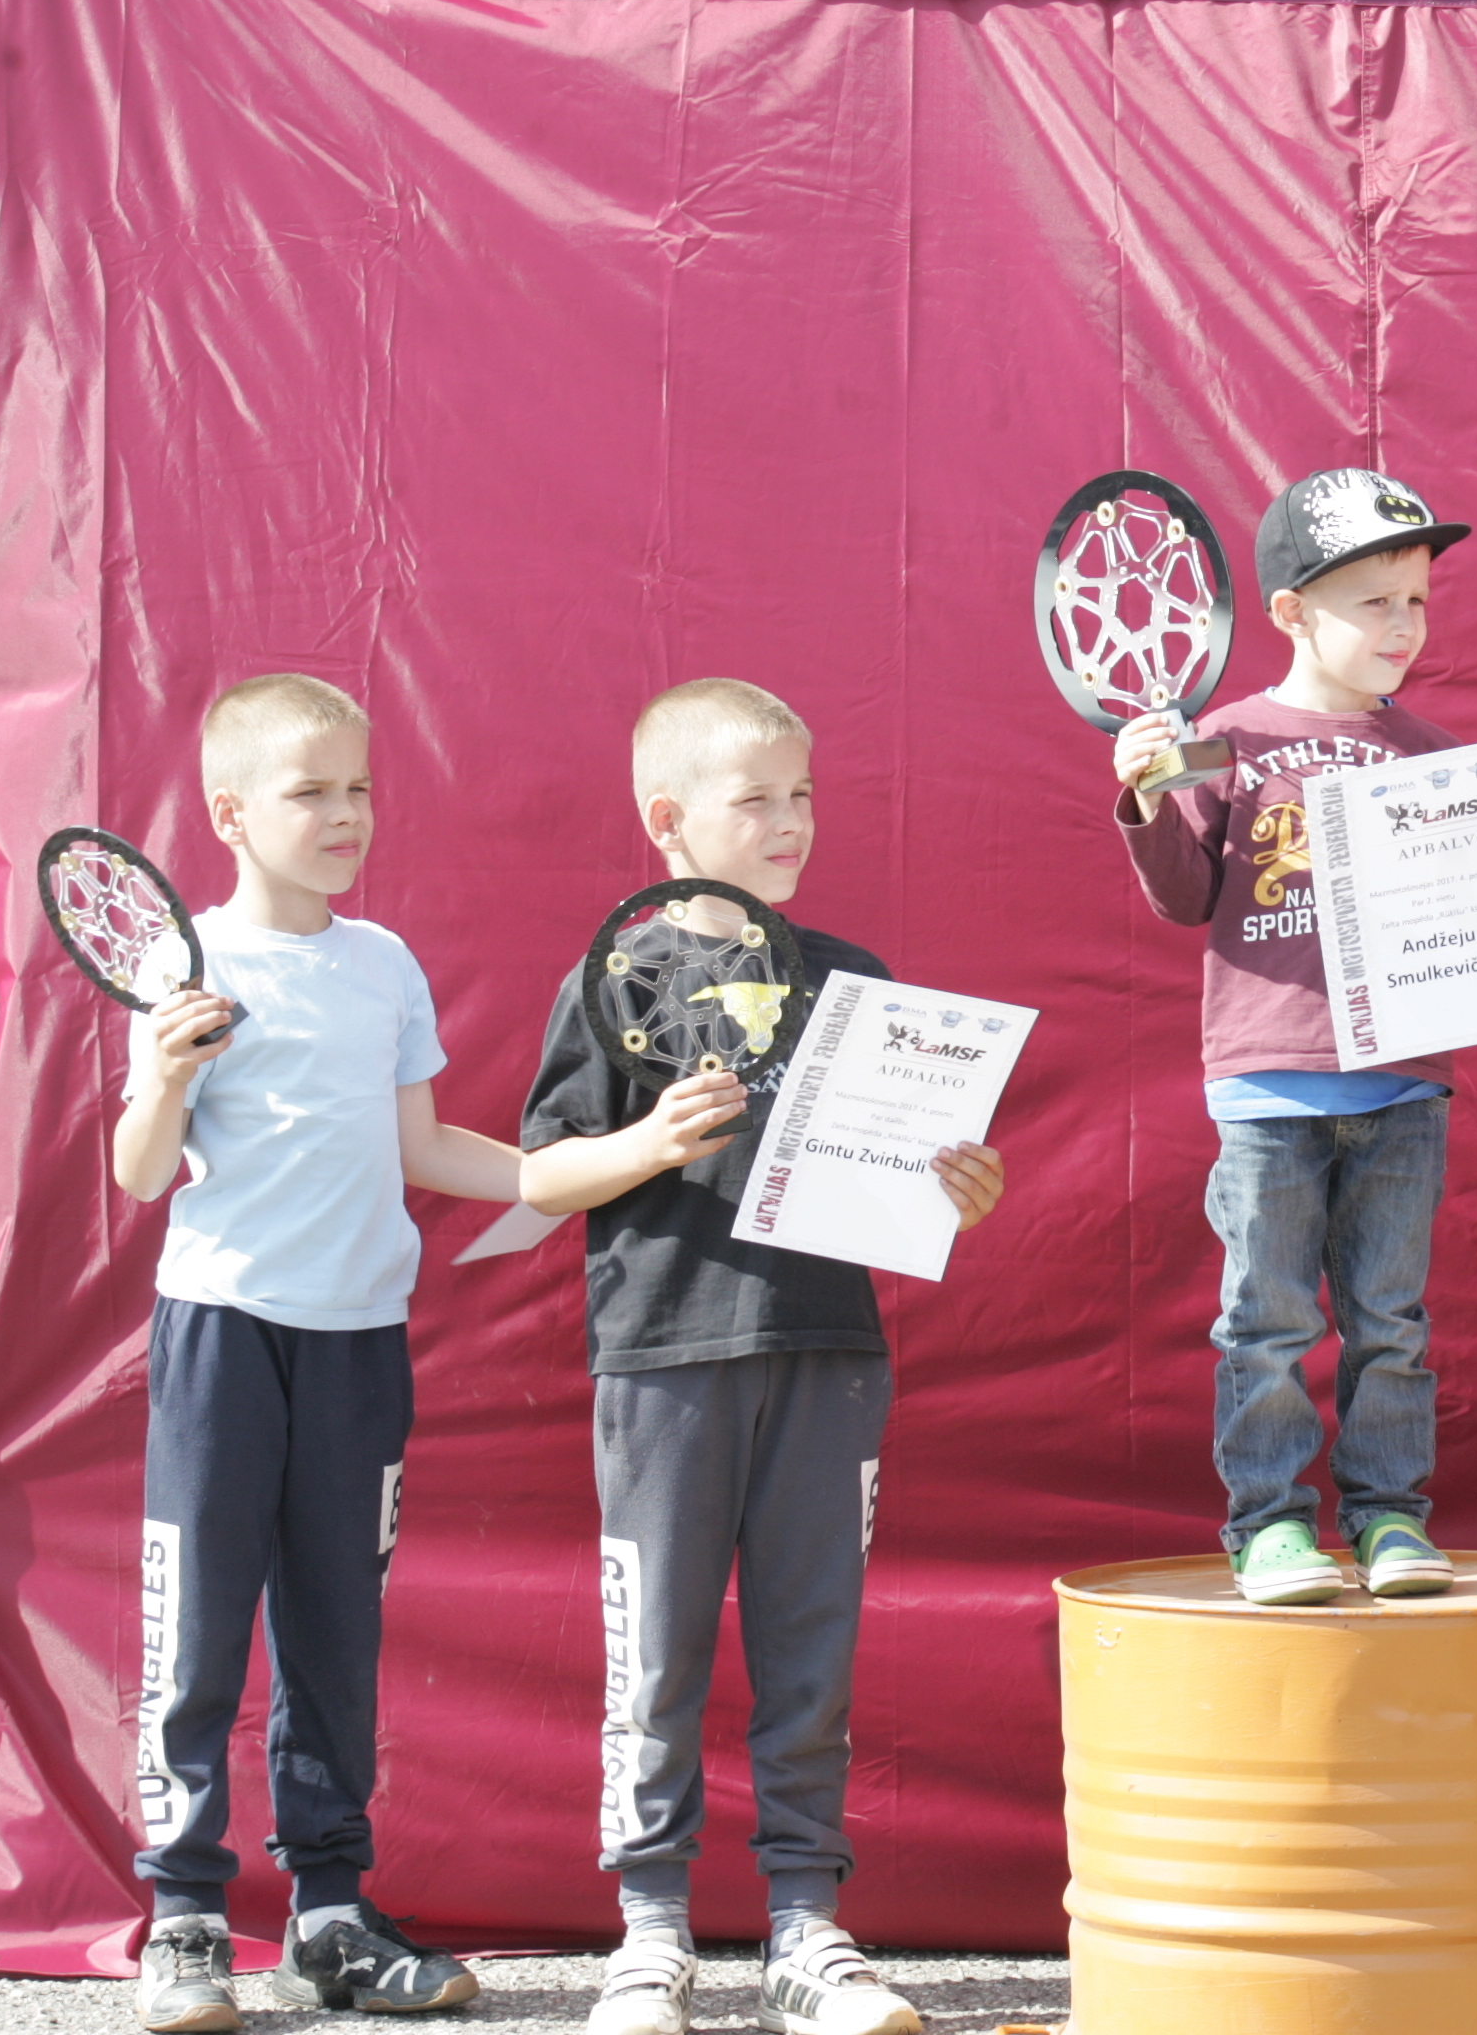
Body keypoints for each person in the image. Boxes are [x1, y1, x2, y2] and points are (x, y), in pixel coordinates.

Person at [520, 679, 1007, 2035]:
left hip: (827, 1348)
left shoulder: (853, 976)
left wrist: (957, 1188)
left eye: (803, 794)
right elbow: (543, 1173)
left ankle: (807, 1924)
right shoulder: (614, 977)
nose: (791, 820)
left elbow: (908, 1175)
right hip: (664, 1355)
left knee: (811, 1644)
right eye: (756, 799)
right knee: (657, 1651)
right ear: (668, 820)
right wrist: (650, 1141)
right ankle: (650, 1931)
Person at [111, 674, 520, 2031]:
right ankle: (182, 1917)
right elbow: (140, 1169)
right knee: (198, 1633)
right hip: (222, 1335)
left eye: (360, 789)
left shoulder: (384, 963)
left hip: (360, 1346)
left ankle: (330, 1914)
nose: (347, 814)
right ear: (231, 813)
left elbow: (426, 1147)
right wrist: (166, 1073)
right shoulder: (185, 967)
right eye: (312, 792)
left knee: (337, 1635)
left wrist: (581, 1169)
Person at [1114, 468, 1477, 1606]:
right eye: (1374, 602)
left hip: (1403, 1088)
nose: (1403, 625)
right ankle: (1270, 1526)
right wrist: (1146, 799)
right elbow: (1183, 897)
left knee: (1390, 1323)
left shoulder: (1437, 755)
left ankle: (1389, 1517)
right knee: (1264, 1321)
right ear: (1290, 612)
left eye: (1416, 601)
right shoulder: (1222, 740)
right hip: (1268, 1085)